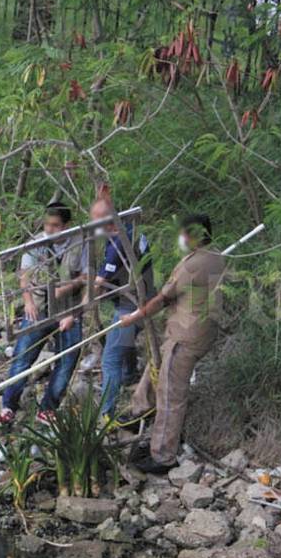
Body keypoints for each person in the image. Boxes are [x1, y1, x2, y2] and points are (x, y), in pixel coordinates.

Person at [119, 214, 226, 474]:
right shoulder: (217, 256)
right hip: (196, 333)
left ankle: (163, 455)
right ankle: (141, 409)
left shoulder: (192, 265)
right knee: (156, 366)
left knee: (170, 394)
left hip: (186, 337)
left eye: (185, 234)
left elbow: (162, 299)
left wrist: (134, 316)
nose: (182, 239)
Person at [0, 202, 88, 427]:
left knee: (66, 361)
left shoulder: (80, 242)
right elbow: (24, 276)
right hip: (38, 306)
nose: (50, 229)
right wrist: (28, 302)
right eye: (47, 224)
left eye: (55, 225)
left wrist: (67, 296)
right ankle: (9, 407)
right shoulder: (36, 242)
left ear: (66, 225)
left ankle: (48, 408)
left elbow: (86, 277)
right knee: (22, 359)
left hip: (67, 309)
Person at [59, 199, 154, 418]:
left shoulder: (120, 243)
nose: (93, 225)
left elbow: (98, 284)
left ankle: (107, 414)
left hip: (133, 306)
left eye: (95, 221)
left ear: (107, 221)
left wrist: (73, 315)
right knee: (123, 342)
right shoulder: (130, 230)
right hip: (142, 298)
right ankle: (129, 375)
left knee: (110, 359)